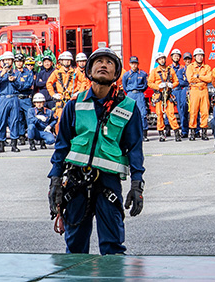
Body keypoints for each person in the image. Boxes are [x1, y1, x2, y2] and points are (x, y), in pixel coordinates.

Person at [48, 47, 145, 255]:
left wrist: (137, 184)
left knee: (113, 247)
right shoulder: (74, 104)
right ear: (89, 70)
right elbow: (62, 145)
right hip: (76, 182)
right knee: (75, 247)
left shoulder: (128, 107)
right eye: (98, 61)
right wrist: (55, 180)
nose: (103, 65)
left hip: (108, 184)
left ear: (116, 73)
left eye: (109, 63)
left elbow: (135, 148)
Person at [148, 52, 181, 142]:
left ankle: (177, 133)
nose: (162, 60)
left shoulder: (170, 70)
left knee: (171, 114)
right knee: (159, 115)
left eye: (163, 58)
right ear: (157, 61)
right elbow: (150, 83)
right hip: (159, 95)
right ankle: (161, 134)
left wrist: (172, 85)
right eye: (160, 59)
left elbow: (176, 81)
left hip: (168, 95)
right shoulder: (154, 71)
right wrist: (158, 86)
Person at [0, 51, 22, 153]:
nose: (7, 62)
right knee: (1, 121)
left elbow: (20, 87)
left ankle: (14, 144)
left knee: (14, 121)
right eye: (5, 60)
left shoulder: (17, 73)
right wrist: (2, 74)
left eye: (9, 60)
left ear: (12, 61)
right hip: (3, 98)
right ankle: (1, 144)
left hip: (14, 97)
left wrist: (14, 80)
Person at [122, 56, 150, 141]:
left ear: (138, 64)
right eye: (132, 63)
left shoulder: (143, 74)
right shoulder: (126, 75)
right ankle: (130, 134)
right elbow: (124, 86)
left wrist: (140, 91)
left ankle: (144, 134)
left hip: (139, 94)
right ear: (129, 64)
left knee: (143, 114)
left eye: (135, 63)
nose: (134, 65)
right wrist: (129, 92)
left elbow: (145, 85)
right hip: (130, 94)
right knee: (129, 114)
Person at [186, 48, 213, 141]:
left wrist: (198, 76)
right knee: (193, 112)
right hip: (194, 91)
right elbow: (190, 79)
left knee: (205, 112)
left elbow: (209, 79)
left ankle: (204, 132)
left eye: (201, 55)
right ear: (194, 57)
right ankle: (192, 132)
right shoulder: (190, 67)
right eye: (198, 55)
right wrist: (202, 79)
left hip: (204, 90)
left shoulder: (207, 67)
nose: (200, 57)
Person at [14, 53, 36, 144]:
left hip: (26, 98)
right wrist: (21, 86)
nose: (19, 63)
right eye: (17, 61)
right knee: (19, 118)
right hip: (17, 98)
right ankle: (21, 136)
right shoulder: (13, 72)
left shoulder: (28, 72)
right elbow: (12, 85)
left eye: (20, 61)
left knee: (29, 118)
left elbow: (29, 84)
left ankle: (31, 137)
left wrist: (19, 86)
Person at [175, 51, 192, 137]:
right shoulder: (180, 71)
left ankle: (196, 131)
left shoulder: (195, 69)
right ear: (184, 60)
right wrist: (190, 81)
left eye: (189, 59)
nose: (187, 61)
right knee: (183, 110)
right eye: (186, 59)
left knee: (195, 111)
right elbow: (181, 82)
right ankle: (184, 131)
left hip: (194, 89)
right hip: (184, 90)